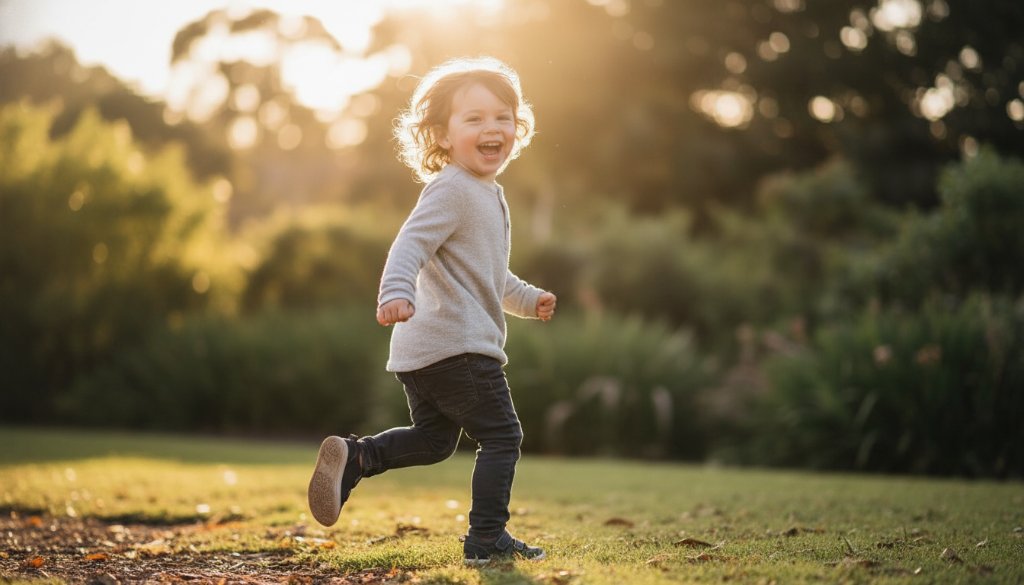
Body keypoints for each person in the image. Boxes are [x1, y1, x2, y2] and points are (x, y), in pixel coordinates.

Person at [307, 56, 557, 565]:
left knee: (434, 441)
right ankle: (487, 539)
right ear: (442, 136)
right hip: (459, 347)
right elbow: (409, 245)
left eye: (503, 117)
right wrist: (394, 291)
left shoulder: (485, 193)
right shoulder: (454, 187)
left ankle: (358, 456)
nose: (493, 128)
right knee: (503, 437)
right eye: (475, 119)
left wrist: (528, 299)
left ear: (518, 127)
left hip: (425, 352)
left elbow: (490, 276)